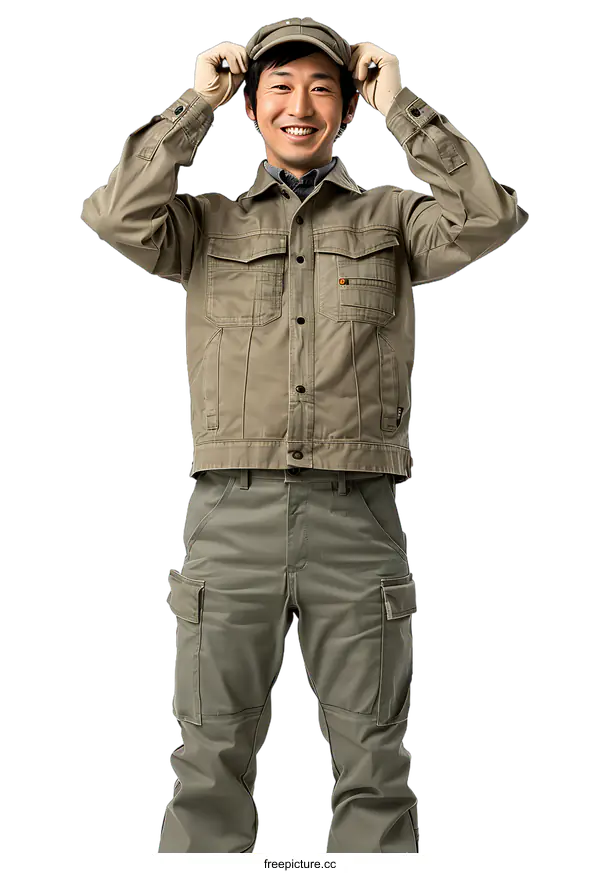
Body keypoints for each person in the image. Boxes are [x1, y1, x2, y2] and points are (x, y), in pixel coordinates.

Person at [80, 15, 529, 853]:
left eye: (322, 87)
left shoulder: (392, 219)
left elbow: (487, 217)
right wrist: (194, 104)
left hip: (359, 516)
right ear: (252, 107)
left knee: (376, 760)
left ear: (345, 109)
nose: (300, 105)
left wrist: (402, 105)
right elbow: (115, 216)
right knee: (210, 754)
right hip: (229, 511)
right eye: (280, 87)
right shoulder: (204, 223)